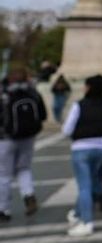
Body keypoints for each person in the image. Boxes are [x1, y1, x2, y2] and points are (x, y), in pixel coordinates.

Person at [62, 75, 102, 237]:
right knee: (92, 181)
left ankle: (87, 222)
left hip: (81, 148)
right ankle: (77, 213)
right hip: (101, 148)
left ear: (89, 87)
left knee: (84, 186)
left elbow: (66, 129)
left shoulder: (79, 105)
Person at [0, 67, 47, 221]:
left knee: (4, 175)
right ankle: (28, 194)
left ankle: (3, 209)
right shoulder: (33, 93)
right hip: (28, 137)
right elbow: (43, 115)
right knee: (24, 168)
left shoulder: (4, 94)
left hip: (6, 138)